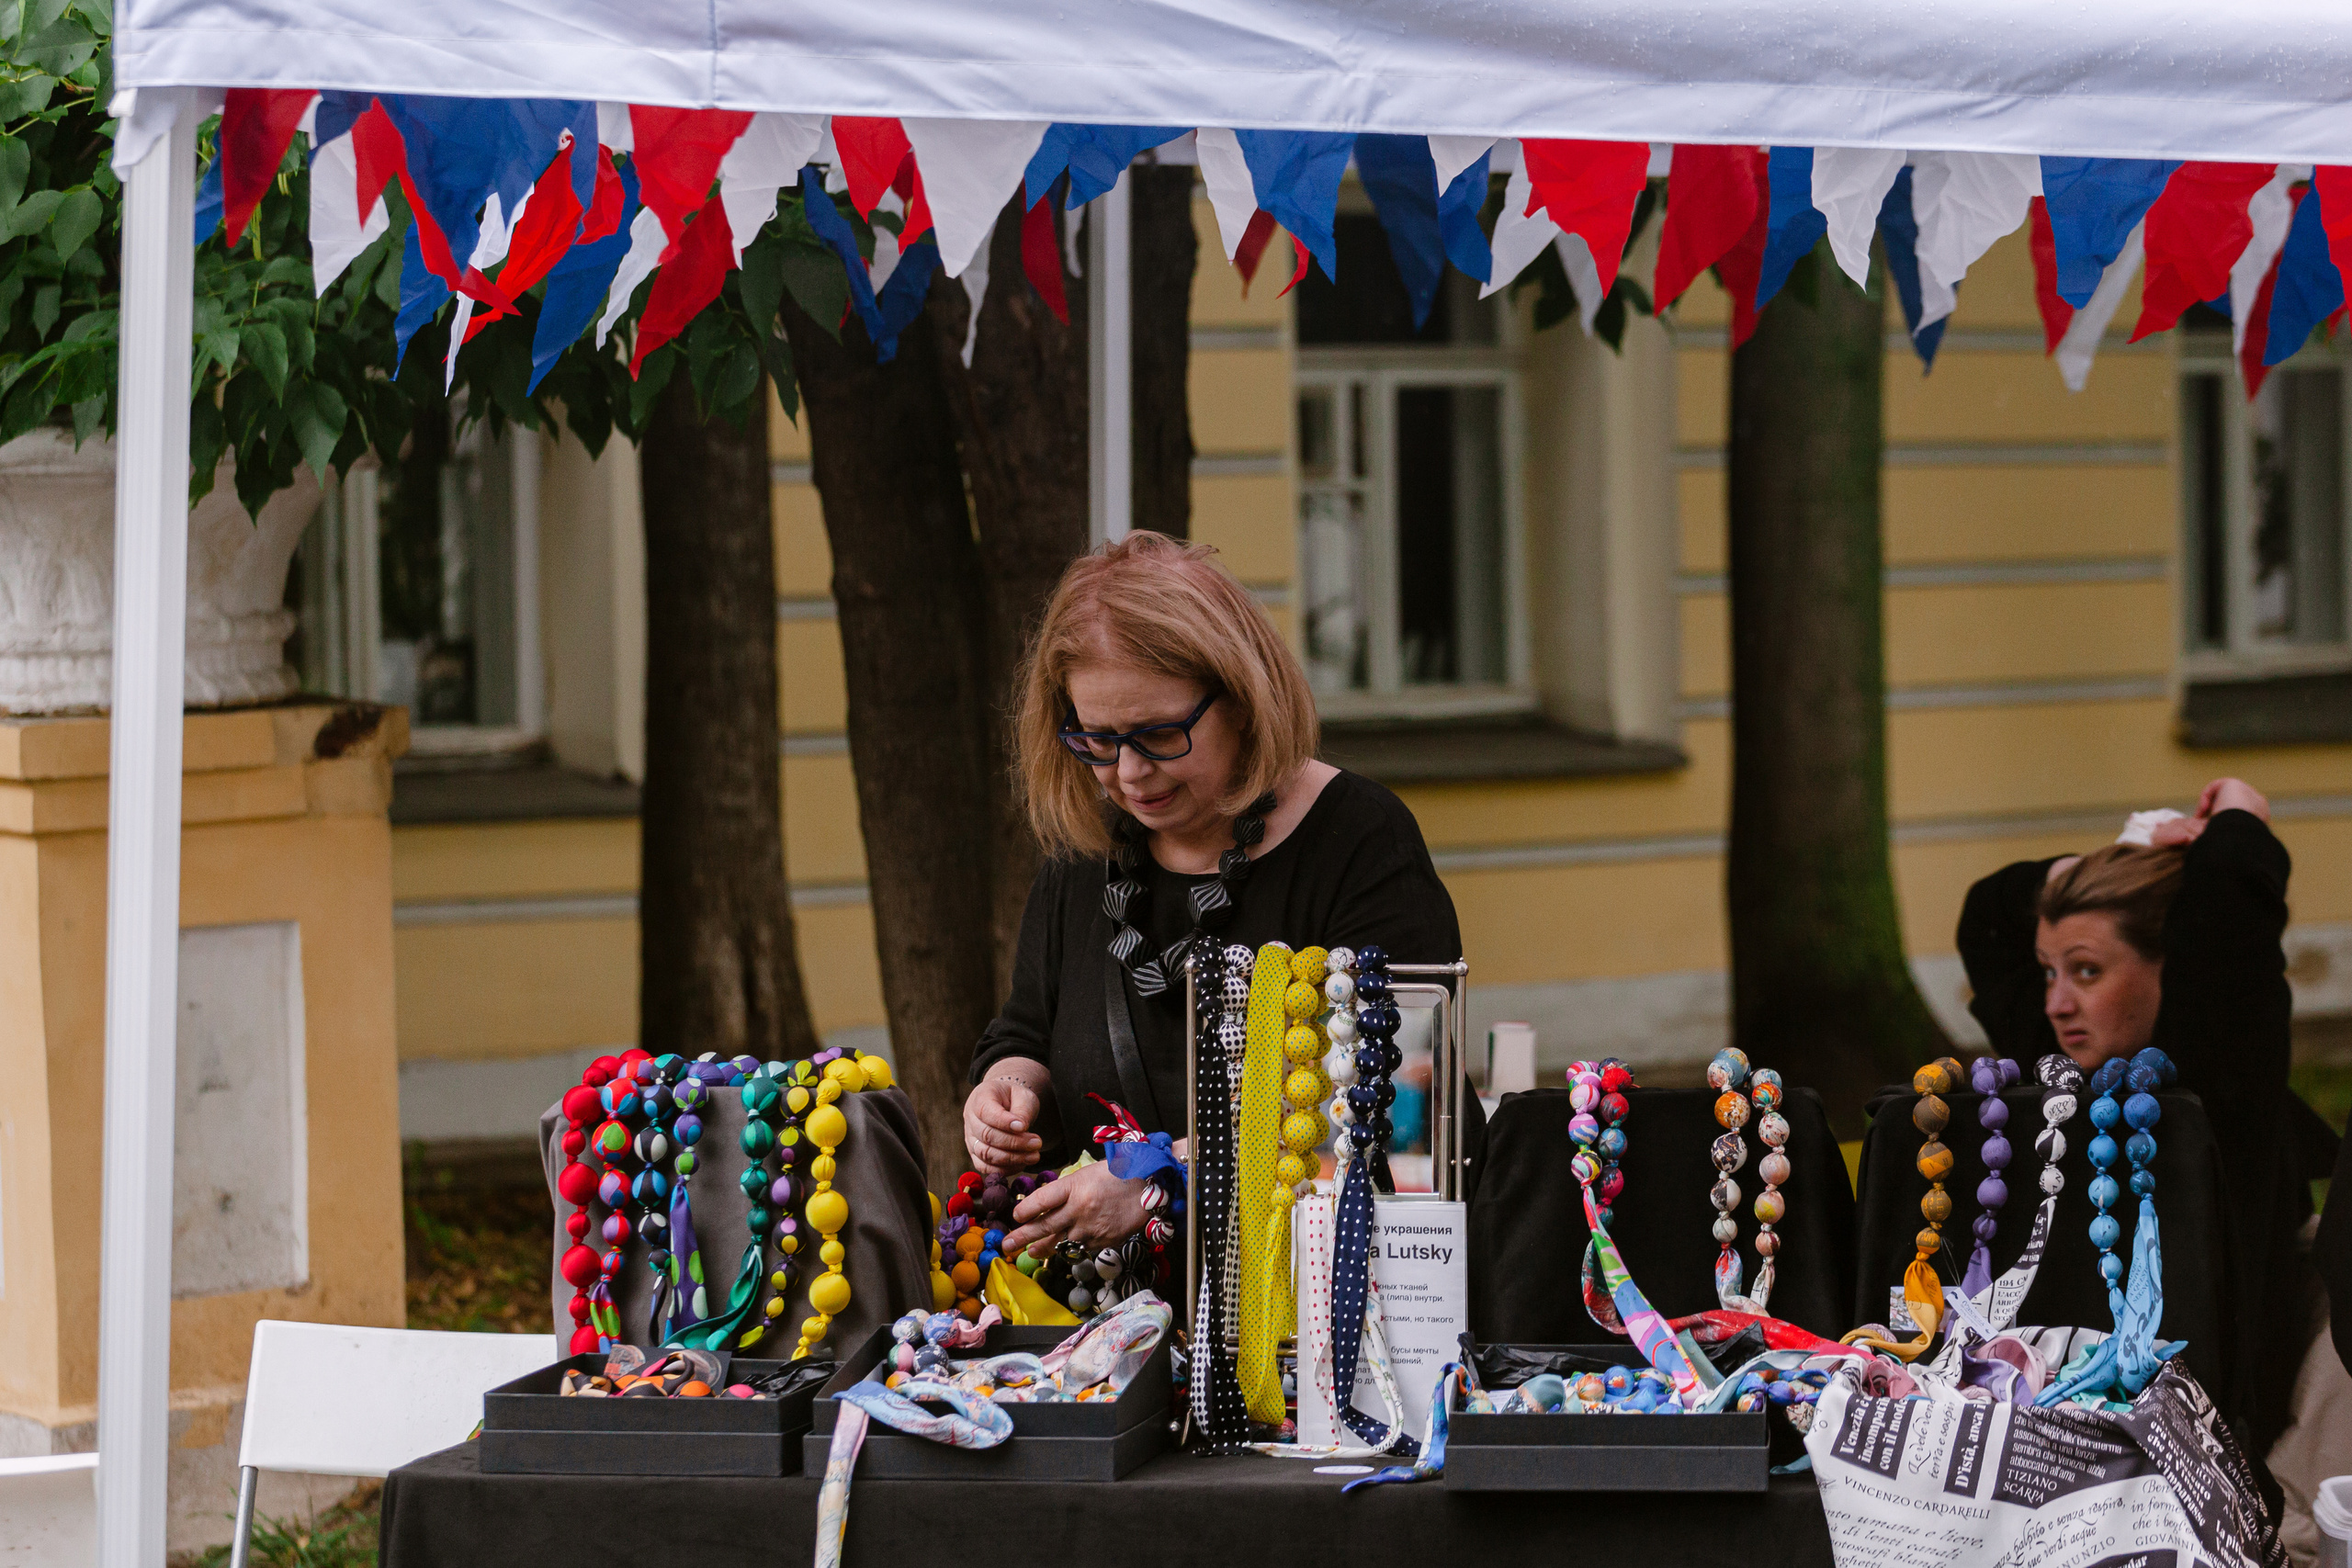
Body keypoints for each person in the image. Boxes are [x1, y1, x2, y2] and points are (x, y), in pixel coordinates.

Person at [962, 532, 1468, 1258]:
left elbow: (1391, 1102)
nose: (1129, 772)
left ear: (1240, 697)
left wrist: (1161, 1177)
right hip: (1108, 1309)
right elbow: (1027, 1032)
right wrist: (1006, 1093)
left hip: (1313, 1300)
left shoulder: (1360, 840)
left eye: (1158, 734)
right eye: (1097, 739)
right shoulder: (1083, 858)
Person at [1957, 777, 2338, 1511]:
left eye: (2087, 970)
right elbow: (1988, 917)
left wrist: (2236, 813)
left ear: (2172, 962)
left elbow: (2231, 907)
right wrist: (2108, 861)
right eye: (2048, 970)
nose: (2057, 1001)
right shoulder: (2066, 1062)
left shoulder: (2221, 1068)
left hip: (2246, 1451)